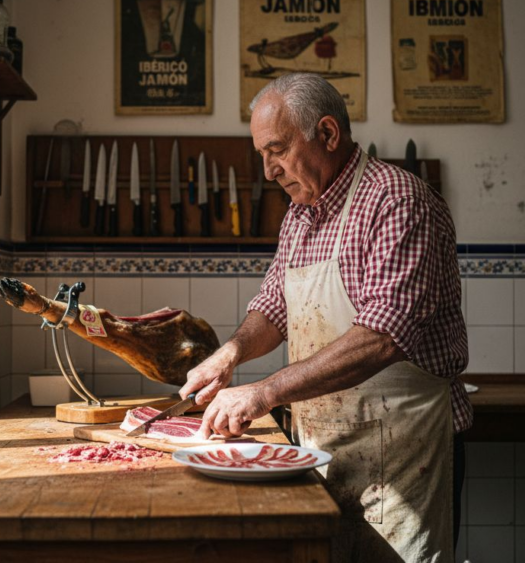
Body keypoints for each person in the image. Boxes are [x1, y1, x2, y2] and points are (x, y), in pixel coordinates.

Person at [178, 73, 470, 562]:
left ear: (328, 135)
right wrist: (230, 354)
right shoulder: (301, 213)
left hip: (404, 456)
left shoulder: (398, 202)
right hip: (322, 448)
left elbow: (383, 337)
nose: (269, 171)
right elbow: (275, 305)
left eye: (277, 150)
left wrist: (264, 391)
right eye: (263, 156)